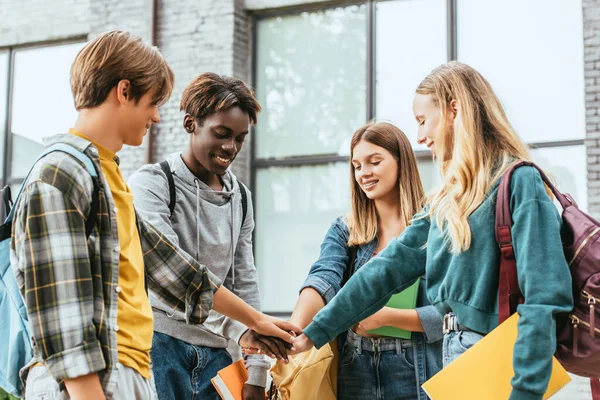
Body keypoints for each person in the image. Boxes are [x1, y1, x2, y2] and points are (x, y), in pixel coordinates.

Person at [10, 30, 298, 400]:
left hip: (128, 373)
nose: (159, 117)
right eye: (153, 102)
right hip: (89, 384)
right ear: (124, 91)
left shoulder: (104, 173)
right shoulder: (60, 175)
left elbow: (174, 270)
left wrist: (256, 322)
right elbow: (64, 320)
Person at [292, 61, 574, 400]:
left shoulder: (519, 182)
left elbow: (543, 300)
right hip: (454, 362)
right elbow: (385, 269)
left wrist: (526, 393)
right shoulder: (445, 200)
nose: (421, 137)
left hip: (498, 363)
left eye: (423, 120)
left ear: (455, 110)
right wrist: (315, 331)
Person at [128, 72, 276, 400]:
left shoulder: (240, 197)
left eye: (239, 138)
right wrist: (255, 322)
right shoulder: (152, 184)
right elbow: (174, 277)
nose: (230, 147)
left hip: (218, 357)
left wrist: (257, 371)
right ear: (190, 123)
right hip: (158, 347)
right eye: (221, 134)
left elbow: (245, 281)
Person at [288, 122, 442, 400]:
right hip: (354, 366)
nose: (364, 173)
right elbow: (323, 280)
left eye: (375, 162)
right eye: (357, 166)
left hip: (415, 368)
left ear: (401, 162)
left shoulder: (435, 228)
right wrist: (294, 333)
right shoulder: (345, 231)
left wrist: (388, 317)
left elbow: (454, 314)